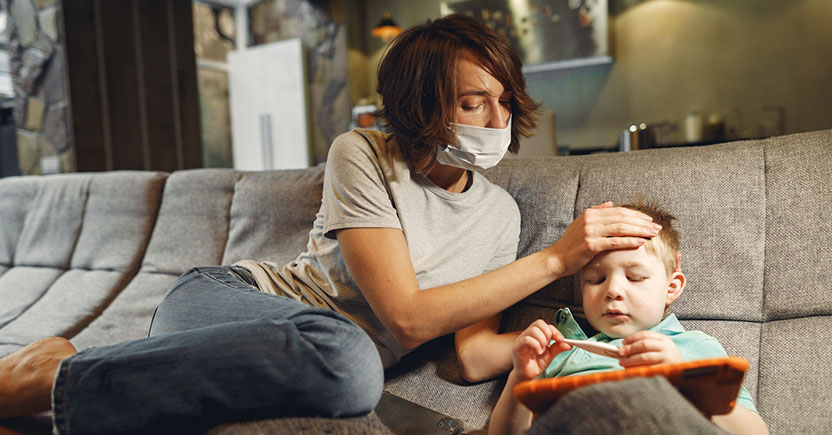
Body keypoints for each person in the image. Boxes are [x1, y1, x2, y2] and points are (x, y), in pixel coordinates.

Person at [0, 14, 662, 434]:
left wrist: (569, 345)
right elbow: (403, 318)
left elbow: (465, 352)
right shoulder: (363, 152)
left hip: (319, 357)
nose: (495, 120)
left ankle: (68, 363)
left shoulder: (500, 215)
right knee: (352, 364)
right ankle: (51, 378)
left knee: (350, 370)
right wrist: (554, 260)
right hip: (228, 302)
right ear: (426, 104)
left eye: (504, 102)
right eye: (472, 102)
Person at [489, 200, 770, 435]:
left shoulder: (695, 349)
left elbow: (757, 432)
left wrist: (684, 381)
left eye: (635, 278)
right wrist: (520, 378)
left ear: (671, 288)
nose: (612, 290)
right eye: (596, 279)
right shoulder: (561, 354)